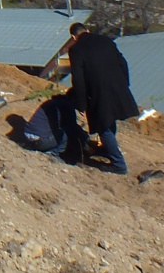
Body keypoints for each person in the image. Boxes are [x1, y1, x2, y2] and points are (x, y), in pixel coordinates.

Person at [68, 23, 138, 175]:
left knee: (102, 125)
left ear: (74, 37)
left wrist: (81, 104)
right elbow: (122, 62)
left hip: (98, 91)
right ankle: (108, 149)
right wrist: (124, 83)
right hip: (118, 86)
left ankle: (119, 164)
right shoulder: (105, 40)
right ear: (87, 30)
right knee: (109, 119)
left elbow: (78, 79)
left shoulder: (76, 49)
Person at [20, 89, 89, 162]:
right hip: (41, 140)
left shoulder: (55, 102)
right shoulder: (67, 106)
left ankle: (34, 146)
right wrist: (84, 138)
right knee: (66, 136)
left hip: (27, 134)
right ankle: (53, 153)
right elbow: (72, 128)